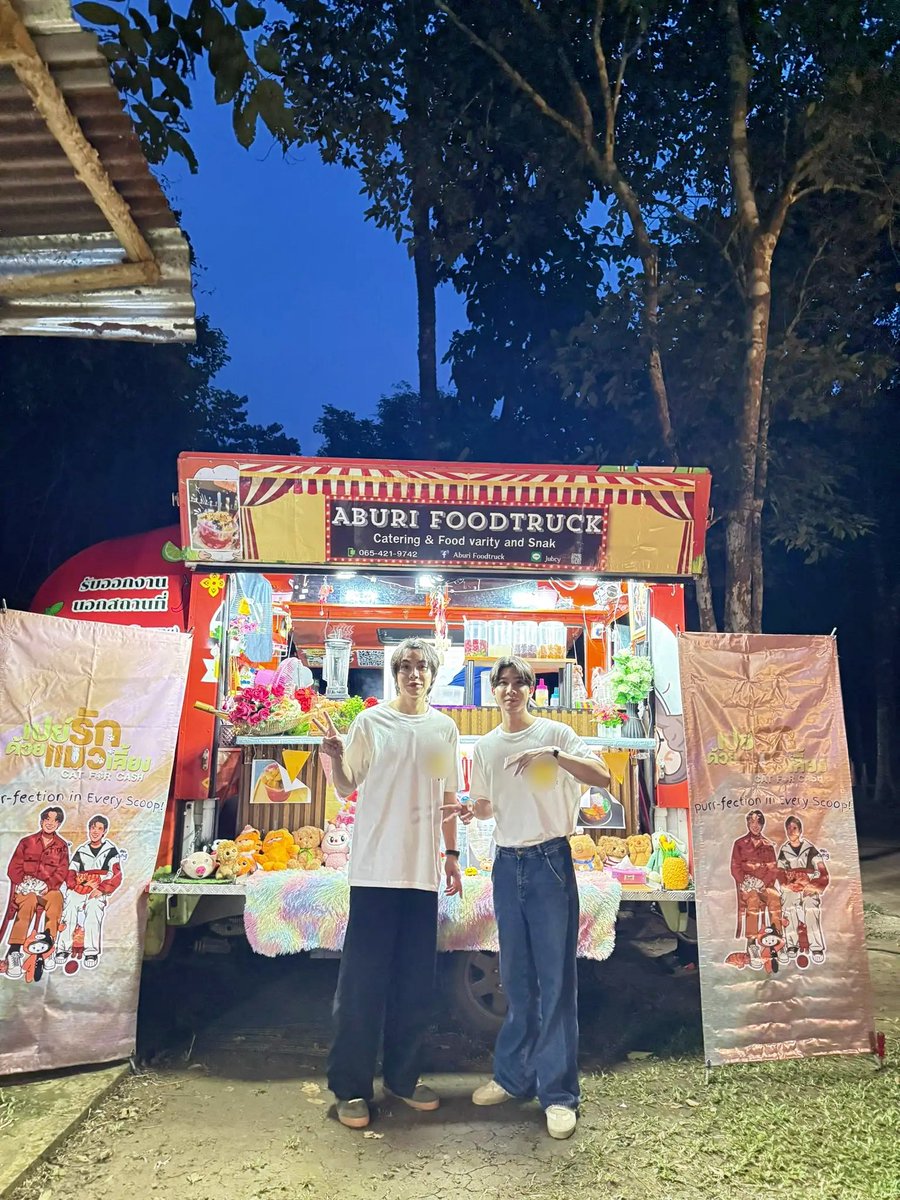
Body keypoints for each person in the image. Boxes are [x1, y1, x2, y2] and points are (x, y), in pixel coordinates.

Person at [450, 656, 610, 1140]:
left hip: (549, 863)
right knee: (515, 979)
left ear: (532, 690)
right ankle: (512, 1076)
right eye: (503, 683)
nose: (511, 690)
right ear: (492, 691)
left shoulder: (556, 734)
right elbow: (485, 803)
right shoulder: (488, 746)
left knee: (556, 980)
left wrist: (554, 757)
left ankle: (558, 1094)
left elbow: (602, 777)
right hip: (506, 864)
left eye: (520, 683)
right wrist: (468, 809)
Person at [313, 637, 463, 1131]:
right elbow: (345, 785)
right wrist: (334, 755)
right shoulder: (371, 722)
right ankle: (350, 1088)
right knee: (361, 984)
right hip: (375, 871)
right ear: (394, 673)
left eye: (423, 667)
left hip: (422, 875)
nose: (414, 674)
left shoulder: (444, 729)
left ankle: (403, 1076)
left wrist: (453, 856)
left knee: (415, 984)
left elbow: (446, 797)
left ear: (433, 675)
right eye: (406, 666)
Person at [2, 806, 69, 979]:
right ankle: (14, 951)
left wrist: (48, 885)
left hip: (46, 889)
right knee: (29, 900)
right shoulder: (27, 842)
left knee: (56, 899)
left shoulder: (61, 846)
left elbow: (62, 871)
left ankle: (47, 948)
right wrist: (25, 882)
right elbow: (13, 868)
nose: (50, 823)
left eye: (55, 820)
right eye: (47, 819)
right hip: (26, 889)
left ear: (59, 824)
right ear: (41, 821)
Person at [56, 815, 124, 970]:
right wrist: (75, 885)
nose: (95, 831)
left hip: (99, 887)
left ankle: (91, 951)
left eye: (99, 828)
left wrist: (101, 889)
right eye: (93, 828)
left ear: (104, 831)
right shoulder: (82, 850)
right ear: (89, 829)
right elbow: (71, 871)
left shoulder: (111, 851)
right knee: (70, 905)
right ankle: (63, 948)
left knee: (94, 908)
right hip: (82, 884)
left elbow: (117, 874)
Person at [729, 810, 785, 969]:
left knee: (774, 897)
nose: (755, 826)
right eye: (752, 822)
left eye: (758, 823)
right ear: (748, 824)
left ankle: (777, 939)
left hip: (764, 885)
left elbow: (773, 868)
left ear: (762, 825)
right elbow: (735, 867)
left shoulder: (768, 845)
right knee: (752, 900)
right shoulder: (739, 844)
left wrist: (764, 883)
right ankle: (752, 943)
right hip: (748, 885)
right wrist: (745, 880)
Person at [777, 816, 829, 966]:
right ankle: (792, 944)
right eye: (789, 828)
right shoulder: (784, 850)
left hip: (808, 885)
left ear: (800, 830)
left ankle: (816, 947)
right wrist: (786, 885)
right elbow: (780, 871)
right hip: (792, 885)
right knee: (787, 903)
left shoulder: (810, 849)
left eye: (794, 828)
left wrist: (813, 886)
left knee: (811, 905)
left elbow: (822, 870)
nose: (791, 831)